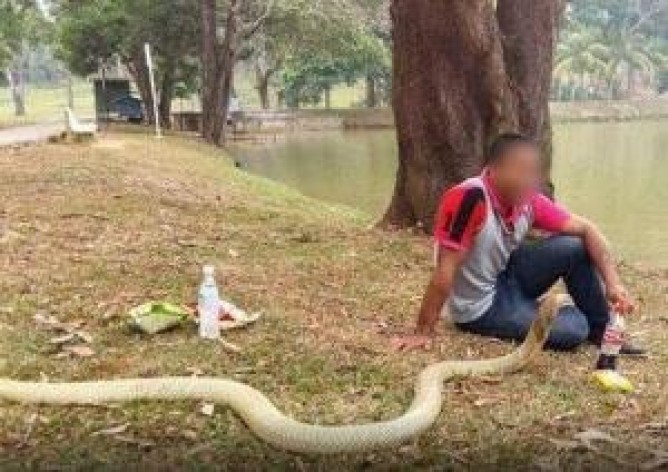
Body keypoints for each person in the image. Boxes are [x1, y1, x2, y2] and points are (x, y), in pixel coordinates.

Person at [392, 132, 645, 354]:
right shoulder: (470, 198)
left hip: (507, 275)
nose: (529, 180)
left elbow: (587, 229)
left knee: (574, 247)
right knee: (575, 330)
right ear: (493, 169)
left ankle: (601, 331)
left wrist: (613, 284)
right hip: (481, 305)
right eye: (521, 171)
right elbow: (445, 269)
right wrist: (423, 330)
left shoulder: (529, 200)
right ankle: (545, 313)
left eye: (534, 172)